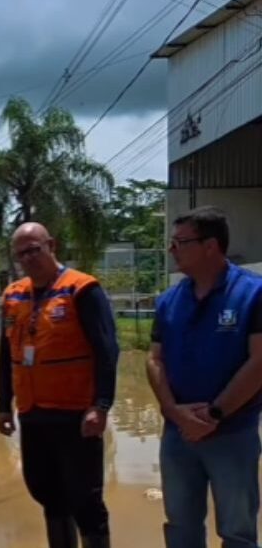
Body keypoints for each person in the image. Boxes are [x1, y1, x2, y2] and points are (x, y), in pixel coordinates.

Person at [0, 222, 119, 548]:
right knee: (47, 492)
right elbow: (5, 353)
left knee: (86, 499)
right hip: (33, 413)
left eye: (35, 249)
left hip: (76, 415)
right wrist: (2, 404)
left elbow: (107, 350)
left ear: (52, 245)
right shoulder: (13, 295)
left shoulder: (83, 289)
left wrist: (101, 405)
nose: (29, 257)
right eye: (21, 253)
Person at [147, 206, 262, 548]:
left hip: (232, 433)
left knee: (237, 533)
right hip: (178, 434)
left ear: (210, 246)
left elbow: (260, 362)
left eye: (180, 242)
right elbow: (154, 359)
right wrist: (174, 411)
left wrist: (214, 415)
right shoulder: (169, 301)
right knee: (181, 527)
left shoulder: (253, 293)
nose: (172, 250)